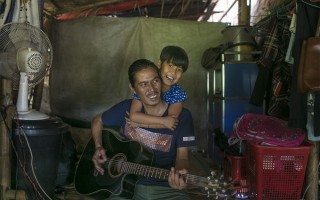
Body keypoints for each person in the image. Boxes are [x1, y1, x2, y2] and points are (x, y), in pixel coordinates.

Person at [91, 58, 195, 200]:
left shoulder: (183, 116)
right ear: (133, 89)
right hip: (125, 186)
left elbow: (183, 157)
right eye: (143, 84)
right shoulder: (125, 109)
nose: (152, 89)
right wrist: (98, 146)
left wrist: (180, 173)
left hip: (167, 189)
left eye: (155, 81)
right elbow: (97, 121)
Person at [128, 46, 189, 131]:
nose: (173, 72)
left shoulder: (178, 94)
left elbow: (171, 123)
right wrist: (162, 120)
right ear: (159, 63)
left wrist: (140, 124)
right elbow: (134, 116)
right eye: (170, 65)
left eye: (179, 69)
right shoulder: (146, 85)